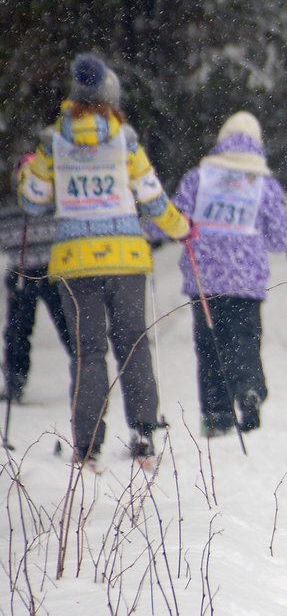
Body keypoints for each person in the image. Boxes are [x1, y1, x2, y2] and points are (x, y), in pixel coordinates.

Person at [17, 53, 196, 467]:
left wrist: (25, 171)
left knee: (87, 352)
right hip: (125, 260)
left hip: (76, 265)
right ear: (111, 99)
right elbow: (152, 197)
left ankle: (87, 446)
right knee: (133, 344)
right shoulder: (124, 141)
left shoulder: (53, 142)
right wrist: (181, 227)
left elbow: (33, 200)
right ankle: (144, 434)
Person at [167, 111, 287, 437]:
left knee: (209, 348)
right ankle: (249, 389)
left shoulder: (198, 178)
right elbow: (279, 240)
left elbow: (171, 220)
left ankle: (216, 416)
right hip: (246, 283)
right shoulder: (264, 184)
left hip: (204, 281)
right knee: (245, 342)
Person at [0, 194, 72, 405]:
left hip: (54, 271)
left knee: (68, 324)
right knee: (18, 329)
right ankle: (15, 379)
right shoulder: (11, 208)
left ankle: (87, 373)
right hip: (21, 271)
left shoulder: (56, 204)